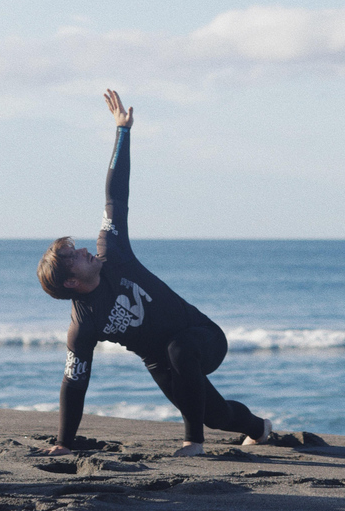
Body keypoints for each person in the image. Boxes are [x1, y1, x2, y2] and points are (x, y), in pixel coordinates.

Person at [36, 90, 271, 457]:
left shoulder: (113, 251)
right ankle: (259, 428)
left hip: (203, 338)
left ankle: (193, 442)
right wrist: (64, 444)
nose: (84, 249)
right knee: (216, 413)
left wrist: (122, 132)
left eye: (78, 247)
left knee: (180, 350)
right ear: (71, 281)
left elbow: (116, 196)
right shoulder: (83, 324)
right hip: (160, 361)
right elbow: (74, 381)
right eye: (74, 255)